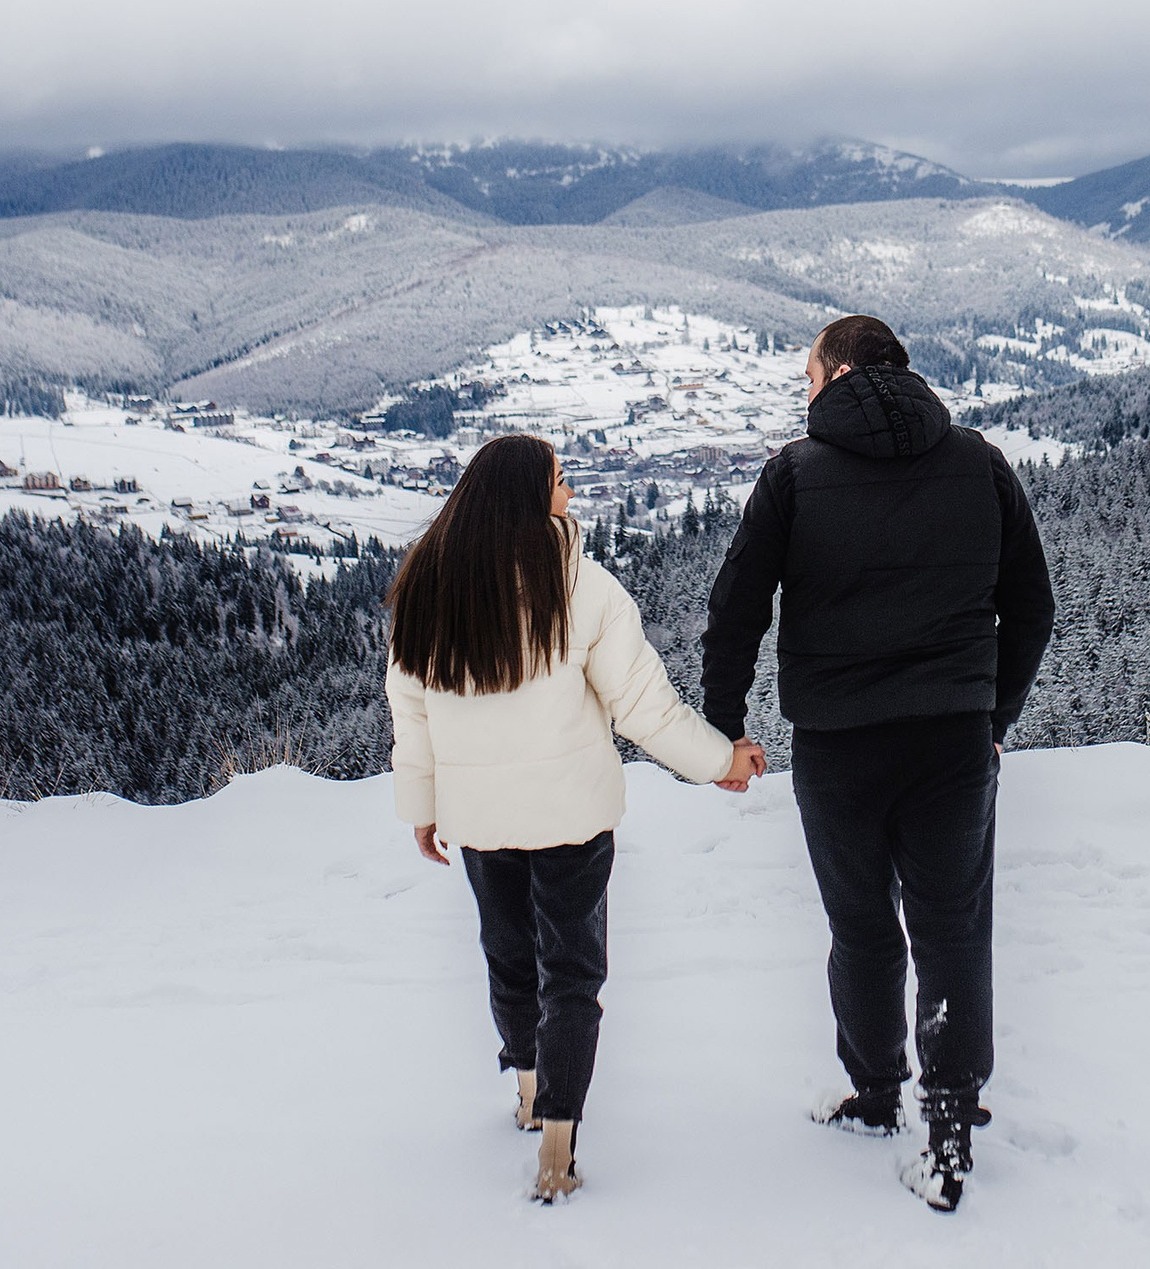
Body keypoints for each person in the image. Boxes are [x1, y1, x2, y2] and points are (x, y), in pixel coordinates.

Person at [700, 314, 1055, 1212]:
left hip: (839, 744)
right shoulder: (978, 461)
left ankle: (873, 1093)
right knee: (952, 928)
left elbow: (736, 606)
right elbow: (1033, 606)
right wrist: (994, 712)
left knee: (861, 926)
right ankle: (948, 1126)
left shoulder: (793, 475)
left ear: (838, 372)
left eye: (806, 376)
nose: (803, 390)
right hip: (952, 740)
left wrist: (722, 727)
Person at [386, 433, 764, 1204]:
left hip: (481, 822)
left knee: (508, 956)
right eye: (560, 481)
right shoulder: (582, 588)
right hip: (572, 819)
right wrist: (720, 759)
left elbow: (413, 716)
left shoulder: (428, 592)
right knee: (572, 973)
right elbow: (644, 708)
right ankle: (559, 1139)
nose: (570, 495)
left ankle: (527, 1087)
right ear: (529, 495)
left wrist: (421, 809)